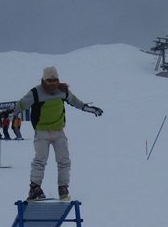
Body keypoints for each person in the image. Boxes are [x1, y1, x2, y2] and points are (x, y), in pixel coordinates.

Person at [10, 66, 103, 200]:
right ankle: (35, 188)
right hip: (41, 132)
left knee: (64, 160)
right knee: (40, 160)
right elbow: (21, 104)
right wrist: (9, 113)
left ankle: (63, 188)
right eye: (50, 80)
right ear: (44, 80)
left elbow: (75, 101)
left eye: (55, 80)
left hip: (59, 131)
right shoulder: (36, 92)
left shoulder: (63, 91)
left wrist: (88, 108)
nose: (53, 83)